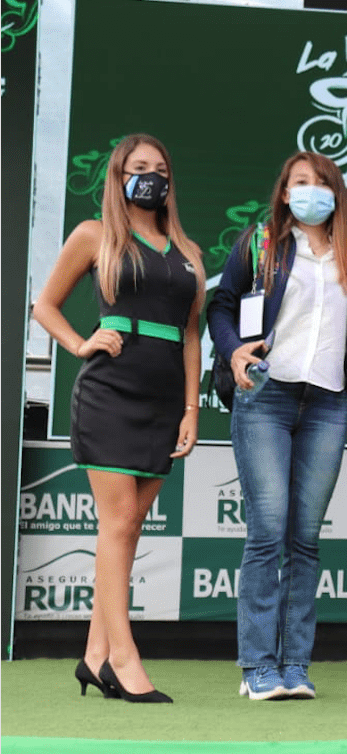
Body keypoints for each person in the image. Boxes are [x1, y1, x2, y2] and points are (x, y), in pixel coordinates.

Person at [34, 134, 203, 704]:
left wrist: (190, 410)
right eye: (139, 168)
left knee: (127, 532)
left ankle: (94, 654)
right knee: (118, 525)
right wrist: (82, 343)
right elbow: (44, 304)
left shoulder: (186, 250)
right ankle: (124, 662)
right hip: (110, 393)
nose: (151, 176)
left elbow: (191, 333)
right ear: (118, 174)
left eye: (160, 168)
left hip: (163, 404)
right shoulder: (94, 234)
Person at [207, 151, 347, 701]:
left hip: (326, 404)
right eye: (300, 182)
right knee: (268, 532)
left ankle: (295, 665)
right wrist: (233, 352)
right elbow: (221, 307)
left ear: (336, 194)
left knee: (306, 540)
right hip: (267, 397)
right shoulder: (262, 242)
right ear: (283, 191)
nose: (310, 191)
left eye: (321, 183)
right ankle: (257, 669)